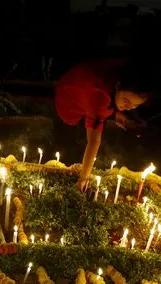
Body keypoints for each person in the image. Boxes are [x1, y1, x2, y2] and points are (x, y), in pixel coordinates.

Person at [55, 58, 151, 192]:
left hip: (82, 84)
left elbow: (110, 102)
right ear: (118, 86)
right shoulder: (98, 97)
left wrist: (114, 113)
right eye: (126, 101)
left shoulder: (116, 78)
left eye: (134, 106)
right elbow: (94, 141)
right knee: (71, 136)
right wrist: (84, 178)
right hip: (70, 96)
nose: (128, 107)